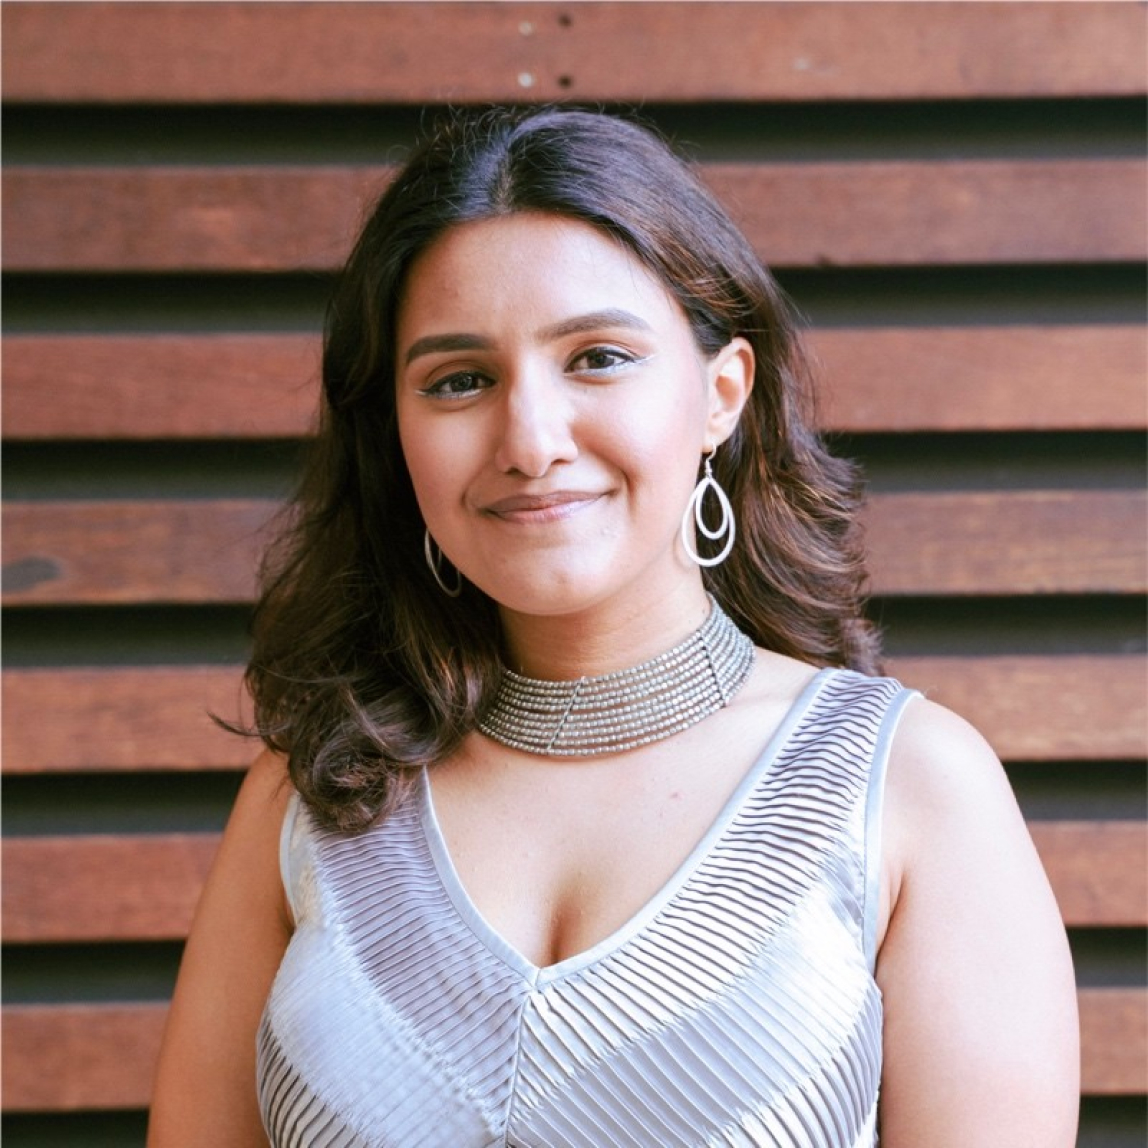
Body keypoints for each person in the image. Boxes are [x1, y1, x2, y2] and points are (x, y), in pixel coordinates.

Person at [148, 106, 1079, 1147]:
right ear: (396, 433)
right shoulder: (309, 796)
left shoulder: (907, 786)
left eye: (595, 357)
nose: (530, 440)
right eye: (460, 380)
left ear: (721, 394)